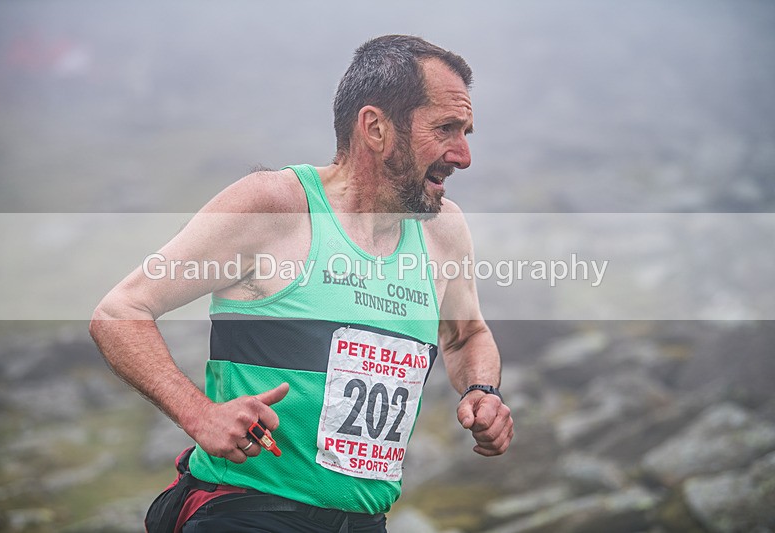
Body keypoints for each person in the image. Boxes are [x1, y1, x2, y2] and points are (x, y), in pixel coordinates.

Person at [90, 34, 514, 532]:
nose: (462, 155)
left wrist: (481, 390)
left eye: (466, 132)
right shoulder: (275, 207)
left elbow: (466, 335)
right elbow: (120, 313)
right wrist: (198, 414)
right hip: (247, 512)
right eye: (445, 129)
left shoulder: (443, 230)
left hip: (364, 521)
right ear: (375, 128)